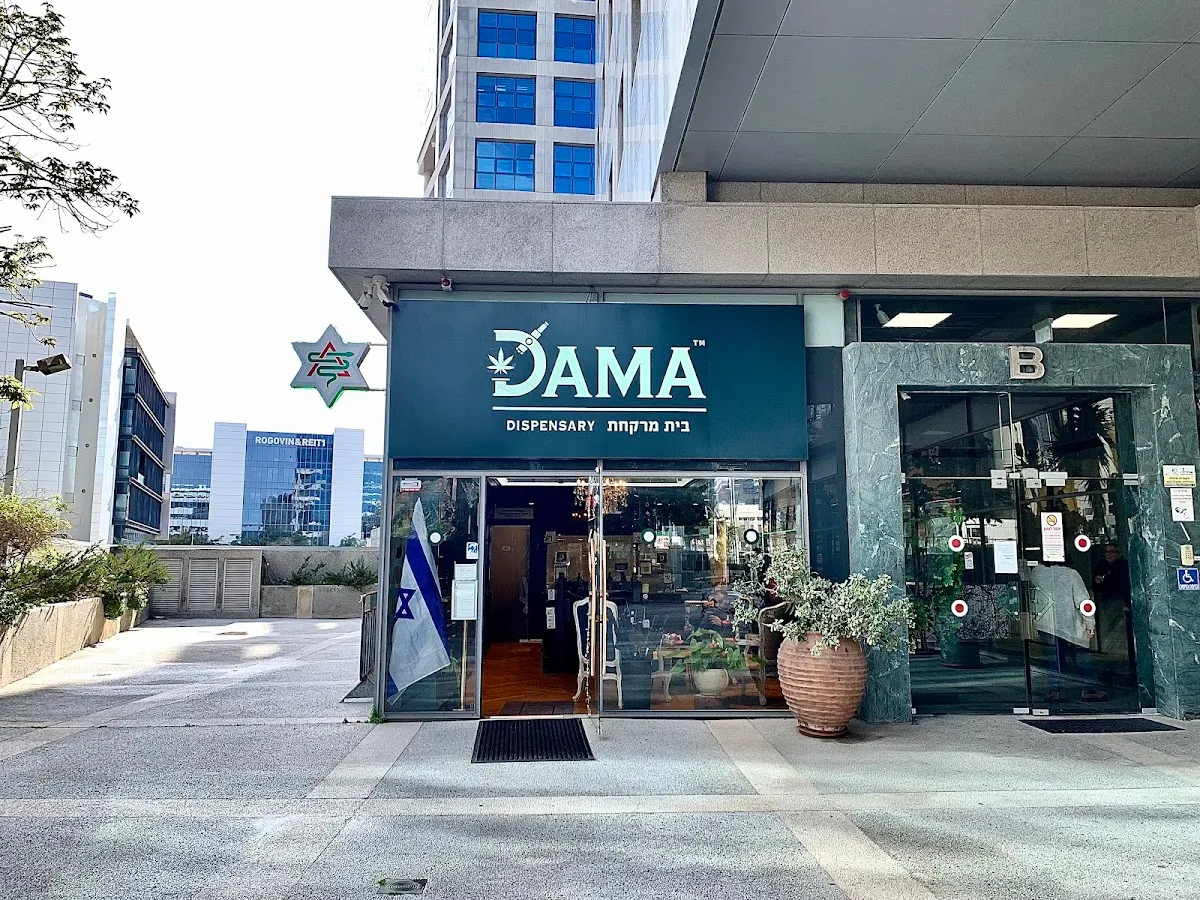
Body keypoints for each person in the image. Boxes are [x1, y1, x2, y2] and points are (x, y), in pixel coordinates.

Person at [1028, 560, 1096, 702]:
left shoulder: (1036, 572)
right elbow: (1083, 601)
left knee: (1053, 658)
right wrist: (1090, 623)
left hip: (1046, 623)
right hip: (1069, 623)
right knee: (1082, 656)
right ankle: (1088, 689)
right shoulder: (1072, 574)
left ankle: (1054, 690)